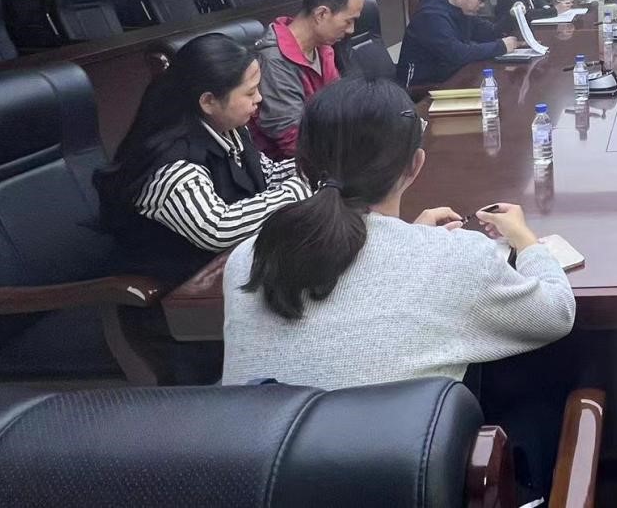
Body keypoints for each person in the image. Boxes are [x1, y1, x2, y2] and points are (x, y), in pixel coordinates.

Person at [222, 78, 576, 490]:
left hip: (258, 486)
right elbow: (556, 314)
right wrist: (526, 240)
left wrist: (408, 235)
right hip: (400, 485)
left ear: (304, 161)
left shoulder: (247, 257)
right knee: (539, 394)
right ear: (415, 165)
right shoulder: (455, 256)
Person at [95, 33, 311, 283]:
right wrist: (298, 190)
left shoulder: (228, 129)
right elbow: (218, 227)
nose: (259, 99)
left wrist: (316, 168)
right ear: (208, 101)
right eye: (250, 92)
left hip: (228, 268)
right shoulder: (172, 164)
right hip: (178, 286)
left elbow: (267, 175)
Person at [249, 0, 363, 159]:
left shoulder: (323, 48)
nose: (351, 30)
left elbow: (339, 105)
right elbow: (294, 141)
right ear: (321, 14)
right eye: (348, 21)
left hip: (328, 148)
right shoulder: (275, 60)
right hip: (291, 165)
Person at [396, 0, 519, 87]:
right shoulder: (431, 16)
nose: (482, 5)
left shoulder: (462, 9)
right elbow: (457, 53)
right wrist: (501, 46)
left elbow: (489, 32)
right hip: (423, 86)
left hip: (453, 75)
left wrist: (512, 16)